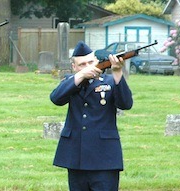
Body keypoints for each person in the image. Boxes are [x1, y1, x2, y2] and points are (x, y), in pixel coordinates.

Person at [50, 41, 133, 191]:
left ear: (97, 62)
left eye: (90, 62)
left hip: (104, 156)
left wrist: (117, 73)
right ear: (74, 67)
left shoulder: (109, 82)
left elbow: (126, 104)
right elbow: (56, 98)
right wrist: (81, 75)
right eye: (82, 64)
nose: (87, 66)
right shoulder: (71, 83)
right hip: (76, 157)